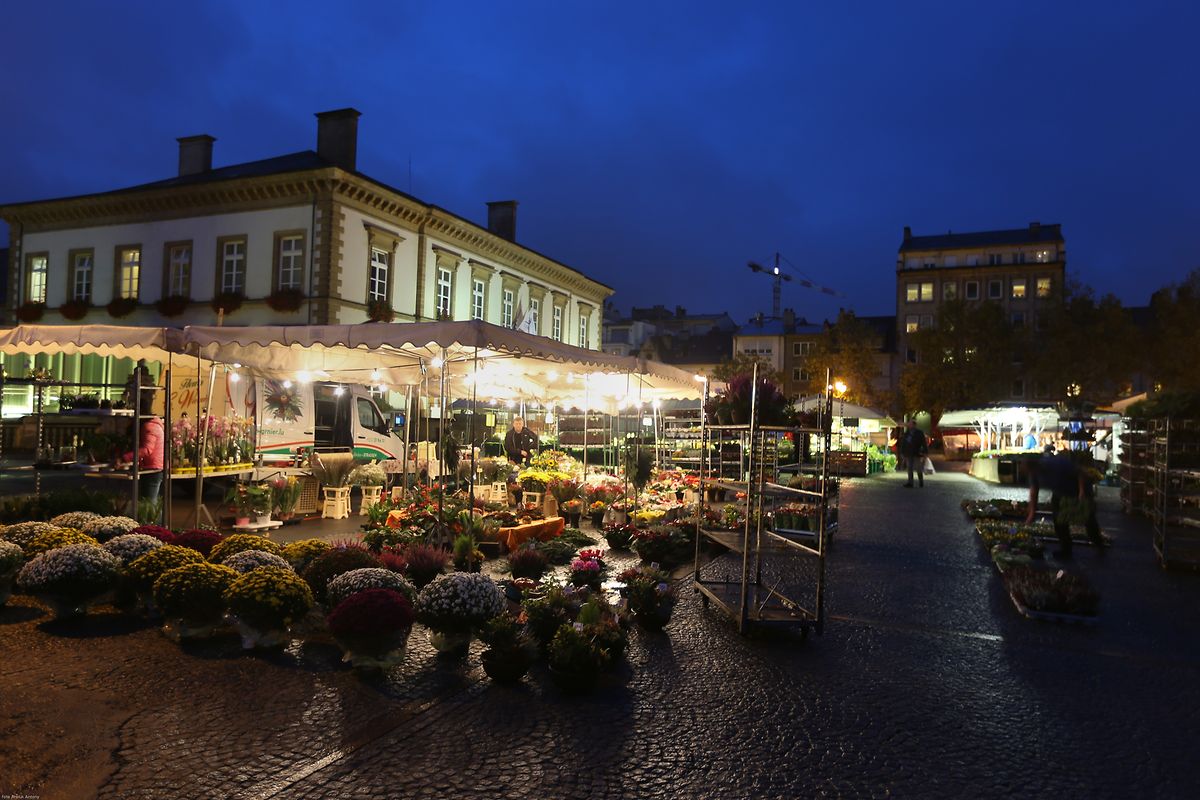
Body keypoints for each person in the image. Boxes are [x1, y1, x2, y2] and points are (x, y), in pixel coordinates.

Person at [1025, 450, 1106, 559]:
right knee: (1059, 522)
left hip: (1078, 490)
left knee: (1088, 519)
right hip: (1060, 493)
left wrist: (1081, 491)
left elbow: (1080, 473)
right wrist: (1032, 513)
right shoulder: (1033, 472)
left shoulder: (1056, 463)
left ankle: (1099, 545)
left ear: (1036, 465)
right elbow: (1034, 490)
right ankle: (1066, 550)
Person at [121, 398, 165, 503]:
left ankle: (150, 515)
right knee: (149, 502)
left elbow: (147, 449)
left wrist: (125, 457)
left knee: (149, 503)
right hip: (154, 466)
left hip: (152, 468)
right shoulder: (153, 424)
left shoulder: (149, 426)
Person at [900, 420, 928, 488]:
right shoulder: (907, 433)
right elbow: (903, 443)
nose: (909, 425)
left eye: (910, 424)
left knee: (918, 468)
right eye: (909, 424)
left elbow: (924, 443)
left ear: (914, 425)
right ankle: (910, 482)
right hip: (909, 453)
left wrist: (925, 452)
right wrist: (902, 452)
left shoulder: (919, 433)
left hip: (916, 453)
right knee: (909, 468)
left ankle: (921, 481)